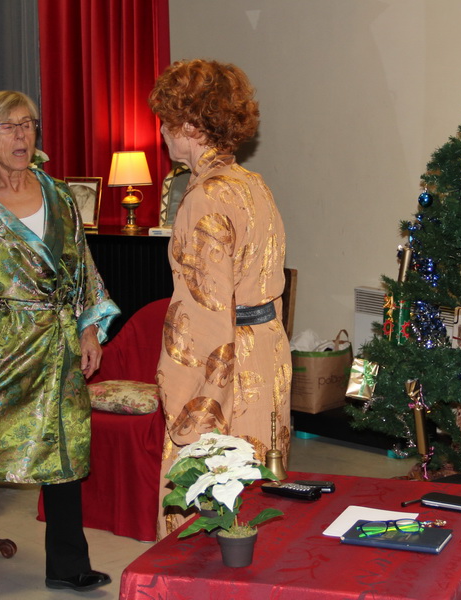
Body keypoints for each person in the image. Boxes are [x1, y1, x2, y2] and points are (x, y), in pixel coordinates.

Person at [0, 91, 120, 600]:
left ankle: (69, 566)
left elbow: (82, 266)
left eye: (28, 124)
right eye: (7, 126)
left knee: (62, 450)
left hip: (57, 343)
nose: (21, 135)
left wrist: (88, 326)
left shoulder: (60, 196)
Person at [148, 59, 291, 538]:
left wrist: (182, 395)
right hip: (268, 353)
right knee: (259, 488)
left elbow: (202, 315)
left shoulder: (205, 198)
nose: (162, 133)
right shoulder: (253, 184)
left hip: (227, 369)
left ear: (189, 126)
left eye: (166, 121)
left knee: (212, 502)